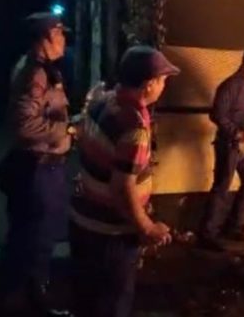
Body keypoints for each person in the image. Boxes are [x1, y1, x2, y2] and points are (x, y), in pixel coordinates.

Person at [69, 46, 179, 317]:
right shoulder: (134, 127)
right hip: (110, 234)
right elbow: (122, 188)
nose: (164, 86)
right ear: (149, 84)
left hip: (82, 220)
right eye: (163, 80)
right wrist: (148, 227)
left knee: (86, 301)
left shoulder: (103, 100)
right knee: (111, 304)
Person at [0, 12, 74, 316]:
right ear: (47, 37)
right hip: (39, 167)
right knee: (38, 238)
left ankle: (11, 298)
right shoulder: (34, 74)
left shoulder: (41, 69)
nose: (64, 40)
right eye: (61, 34)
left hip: (40, 165)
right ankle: (31, 302)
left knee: (27, 236)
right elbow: (23, 126)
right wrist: (66, 130)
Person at [200, 46, 244, 249]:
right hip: (229, 145)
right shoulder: (230, 86)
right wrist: (237, 133)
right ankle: (207, 234)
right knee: (222, 186)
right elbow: (217, 115)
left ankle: (232, 225)